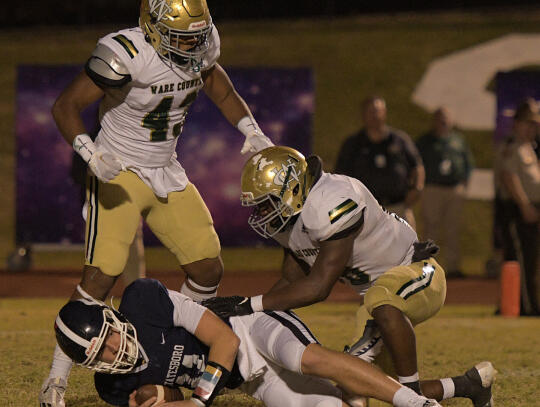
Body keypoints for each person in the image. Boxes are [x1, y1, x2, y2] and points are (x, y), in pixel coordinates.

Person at [38, 0, 274, 406]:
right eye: (183, 36)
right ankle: (56, 378)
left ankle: (176, 346)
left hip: (166, 169)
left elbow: (218, 84)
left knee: (206, 265)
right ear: (153, 27)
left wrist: (249, 128)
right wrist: (90, 153)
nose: (193, 45)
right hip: (120, 171)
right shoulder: (128, 54)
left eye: (198, 35)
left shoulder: (200, 47)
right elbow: (65, 106)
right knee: (101, 277)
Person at [202, 146, 496, 406]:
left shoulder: (331, 199)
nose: (262, 211)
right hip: (376, 298)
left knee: (383, 303)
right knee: (354, 379)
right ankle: (470, 385)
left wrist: (249, 304)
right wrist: (244, 315)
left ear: (290, 188)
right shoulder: (292, 218)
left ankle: (414, 402)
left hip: (419, 273)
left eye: (266, 202)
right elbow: (293, 282)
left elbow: (318, 287)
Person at [54, 278, 444, 407]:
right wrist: (161, 394)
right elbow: (174, 388)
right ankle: (357, 375)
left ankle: (417, 402)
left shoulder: (143, 300)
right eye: (99, 356)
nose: (113, 351)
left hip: (248, 329)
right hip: (250, 381)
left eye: (109, 338)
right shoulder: (112, 386)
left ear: (114, 318)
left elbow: (221, 339)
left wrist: (198, 399)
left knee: (303, 357)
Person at [334, 96, 424, 229]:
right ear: (363, 115)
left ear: (384, 113)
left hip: (397, 207)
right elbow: (339, 175)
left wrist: (417, 188)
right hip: (365, 211)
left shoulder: (399, 140)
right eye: (371, 111)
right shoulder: (353, 144)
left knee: (404, 248)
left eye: (378, 111)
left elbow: (417, 166)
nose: (375, 115)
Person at [416, 107, 474, 279]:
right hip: (433, 188)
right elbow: (416, 162)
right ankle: (427, 267)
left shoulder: (458, 140)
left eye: (446, 119)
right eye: (440, 119)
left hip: (454, 189)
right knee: (431, 228)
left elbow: (468, 163)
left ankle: (453, 267)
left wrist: (464, 183)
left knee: (452, 229)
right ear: (434, 121)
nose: (443, 122)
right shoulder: (425, 142)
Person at [496, 98, 540, 316]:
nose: (533, 127)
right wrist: (524, 205)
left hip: (530, 209)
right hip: (518, 210)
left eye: (535, 124)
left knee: (531, 259)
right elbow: (509, 177)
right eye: (529, 123)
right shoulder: (512, 147)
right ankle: (527, 306)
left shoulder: (528, 147)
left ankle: (527, 302)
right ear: (517, 123)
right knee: (521, 259)